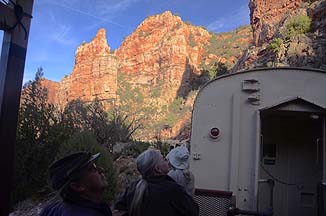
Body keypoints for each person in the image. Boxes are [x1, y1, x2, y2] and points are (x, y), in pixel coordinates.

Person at [114, 149, 199, 216]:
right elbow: (193, 211)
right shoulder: (172, 190)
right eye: (164, 160)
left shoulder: (133, 187)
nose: (168, 162)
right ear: (157, 169)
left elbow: (119, 208)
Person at [39, 151, 112, 216]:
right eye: (92, 169)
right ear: (77, 186)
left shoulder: (50, 209)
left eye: (95, 165)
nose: (101, 170)